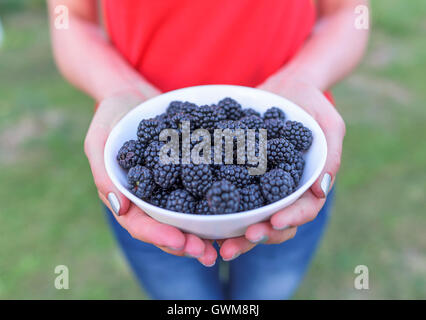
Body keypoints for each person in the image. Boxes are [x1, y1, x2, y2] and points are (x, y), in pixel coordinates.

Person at [48, 0, 369, 299]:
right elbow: (72, 20)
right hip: (147, 191)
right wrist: (117, 88)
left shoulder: (273, 158)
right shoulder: (157, 169)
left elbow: (348, 12)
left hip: (285, 179)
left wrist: (306, 77)